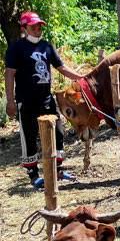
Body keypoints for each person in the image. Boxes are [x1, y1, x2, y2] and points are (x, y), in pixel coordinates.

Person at [4, 11, 82, 188]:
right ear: (24, 28)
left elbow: (61, 67)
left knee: (58, 132)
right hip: (26, 101)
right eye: (33, 26)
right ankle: (33, 175)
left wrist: (82, 77)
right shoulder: (16, 48)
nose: (38, 29)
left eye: (39, 26)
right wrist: (10, 101)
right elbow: (9, 74)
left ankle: (57, 170)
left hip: (46, 99)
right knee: (29, 136)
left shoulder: (47, 46)